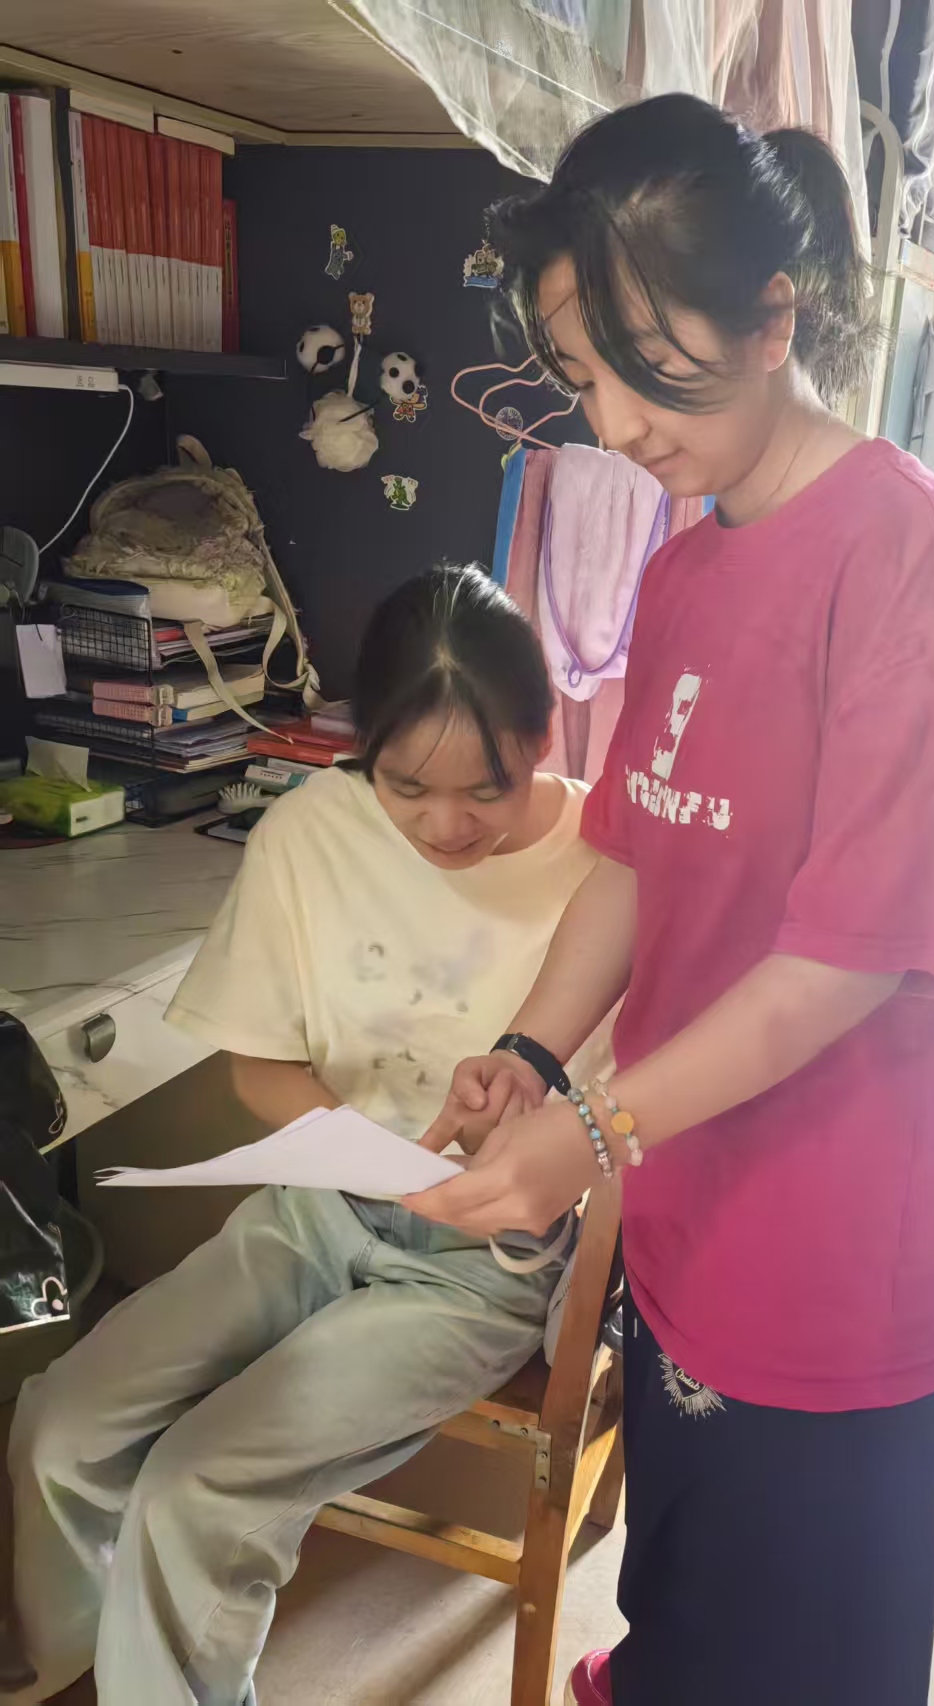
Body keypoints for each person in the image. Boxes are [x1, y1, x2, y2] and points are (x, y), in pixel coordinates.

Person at [410, 95, 934, 1706]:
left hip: (846, 1243)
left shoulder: (906, 566)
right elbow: (635, 856)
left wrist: (591, 1130)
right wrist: (532, 1057)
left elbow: (839, 966)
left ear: (774, 317)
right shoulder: (685, 568)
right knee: (687, 1597)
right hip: (697, 1193)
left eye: (647, 365)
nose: (614, 422)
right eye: (581, 373)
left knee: (803, 1653)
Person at [5, 565, 608, 1705]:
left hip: (482, 1267)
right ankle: (75, 1664)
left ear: (541, 738)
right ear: (360, 750)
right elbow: (259, 1064)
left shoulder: (605, 864)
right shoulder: (309, 831)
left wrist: (514, 1151)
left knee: (200, 1488)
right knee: (63, 1425)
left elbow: (625, 1120)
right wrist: (378, 1162)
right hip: (318, 1211)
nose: (445, 826)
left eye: (484, 789)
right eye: (404, 786)